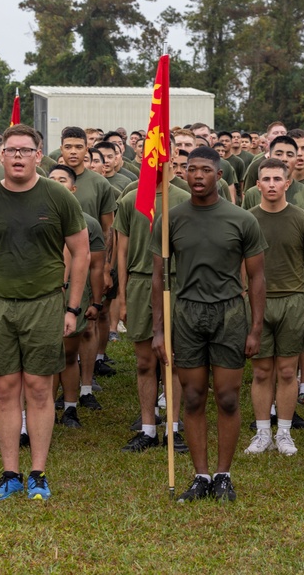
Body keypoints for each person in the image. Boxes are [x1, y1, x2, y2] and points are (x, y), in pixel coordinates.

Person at [0, 124, 89, 501]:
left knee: (37, 388)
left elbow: (81, 253)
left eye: (25, 150)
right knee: (4, 391)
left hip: (45, 304)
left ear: (39, 155)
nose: (17, 157)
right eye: (11, 150)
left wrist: (72, 307)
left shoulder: (59, 197)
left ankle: (37, 472)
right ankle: (9, 473)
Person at [152, 146, 267, 504]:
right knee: (192, 395)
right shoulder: (170, 219)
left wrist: (256, 327)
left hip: (229, 313)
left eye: (205, 170)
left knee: (228, 398)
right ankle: (200, 475)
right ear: (183, 174)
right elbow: (158, 278)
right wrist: (158, 329)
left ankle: (223, 475)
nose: (198, 176)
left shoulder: (242, 219)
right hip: (186, 313)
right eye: (191, 169)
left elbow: (258, 276)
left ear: (219, 176)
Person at [245, 159, 304, 456]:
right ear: (258, 184)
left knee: (289, 372)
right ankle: (263, 432)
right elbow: (238, 263)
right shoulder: (247, 219)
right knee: (262, 371)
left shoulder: (303, 219)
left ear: (288, 183)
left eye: (278, 178)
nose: (272, 184)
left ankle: (285, 433)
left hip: (292, 300)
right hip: (257, 303)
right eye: (266, 179)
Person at [115, 166, 188, 453]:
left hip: (177, 284)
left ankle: (173, 427)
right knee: (145, 361)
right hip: (141, 283)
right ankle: (148, 428)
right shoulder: (130, 199)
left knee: (173, 359)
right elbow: (121, 252)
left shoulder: (183, 198)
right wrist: (122, 296)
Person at [48, 165, 105, 431]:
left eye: (63, 180)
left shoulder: (86, 222)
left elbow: (94, 264)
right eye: (52, 179)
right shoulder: (36, 216)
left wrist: (95, 301)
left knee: (68, 354)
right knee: (46, 355)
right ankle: (44, 409)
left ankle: (70, 408)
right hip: (41, 293)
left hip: (73, 292)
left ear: (73, 188)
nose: (57, 183)